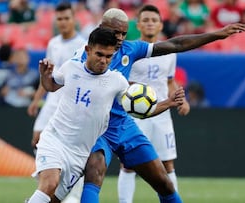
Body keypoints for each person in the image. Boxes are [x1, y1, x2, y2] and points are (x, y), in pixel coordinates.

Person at [73, 7, 245, 203]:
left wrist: (216, 34)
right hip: (98, 127)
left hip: (125, 125)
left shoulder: (131, 49)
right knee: (94, 171)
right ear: (102, 28)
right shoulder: (84, 55)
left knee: (163, 181)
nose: (121, 37)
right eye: (116, 33)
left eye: (123, 32)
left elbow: (175, 44)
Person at [26, 27, 185, 203]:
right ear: (88, 50)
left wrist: (168, 103)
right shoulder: (72, 67)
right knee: (49, 184)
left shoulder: (117, 82)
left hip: (79, 154)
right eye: (99, 54)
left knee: (52, 200)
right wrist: (44, 76)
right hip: (55, 140)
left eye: (108, 57)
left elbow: (140, 111)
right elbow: (51, 86)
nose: (103, 60)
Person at [117, 5, 190, 203]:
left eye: (154, 20)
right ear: (138, 25)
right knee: (128, 164)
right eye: (146, 20)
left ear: (160, 26)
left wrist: (181, 100)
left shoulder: (169, 52)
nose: (150, 23)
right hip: (134, 116)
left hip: (162, 115)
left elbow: (169, 81)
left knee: (167, 164)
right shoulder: (131, 51)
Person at [26, 3, 86, 202]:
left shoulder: (83, 44)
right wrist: (36, 100)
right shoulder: (53, 43)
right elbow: (48, 76)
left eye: (66, 18)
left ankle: (72, 194)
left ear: (73, 19)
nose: (63, 22)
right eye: (59, 19)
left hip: (71, 102)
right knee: (37, 139)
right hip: (52, 99)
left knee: (73, 148)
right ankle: (46, 187)